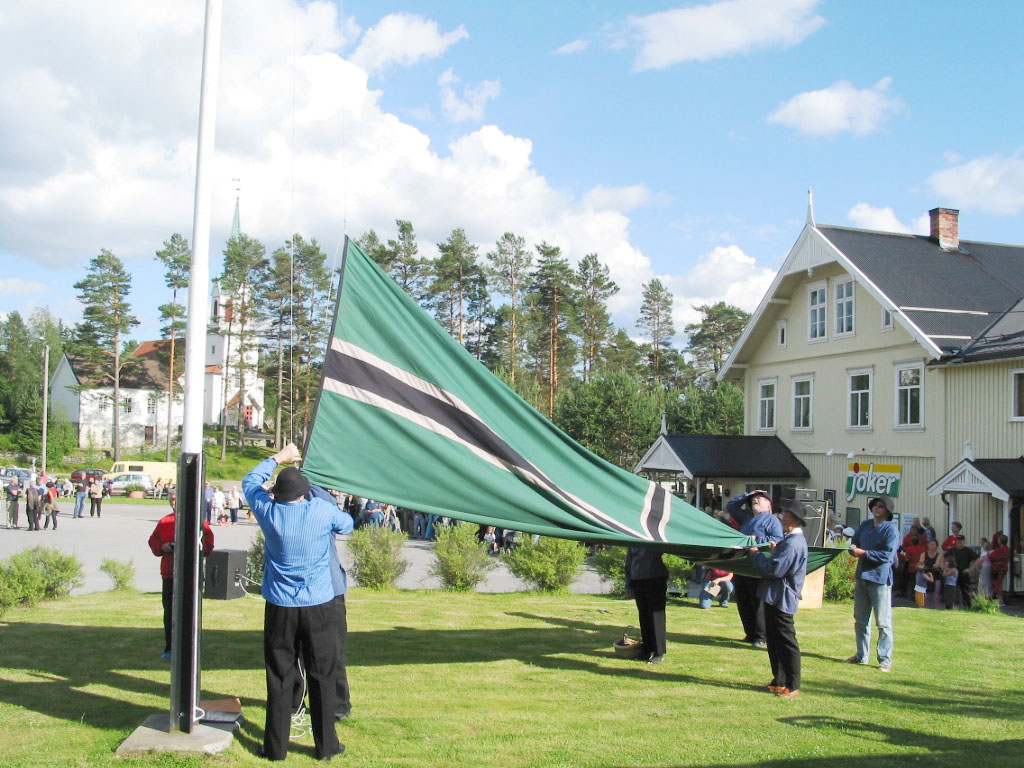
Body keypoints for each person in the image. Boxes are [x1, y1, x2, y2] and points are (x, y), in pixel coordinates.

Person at [243, 442, 353, 762]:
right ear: (304, 493)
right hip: (319, 604)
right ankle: (326, 746)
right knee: (322, 673)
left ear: (276, 494)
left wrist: (279, 458)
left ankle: (276, 749)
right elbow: (347, 524)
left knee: (279, 674)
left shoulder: (268, 510)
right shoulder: (320, 510)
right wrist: (318, 488)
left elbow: (250, 481)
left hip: (280, 606)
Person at [747, 500, 809, 699]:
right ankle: (779, 681)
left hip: (782, 599)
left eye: (786, 515)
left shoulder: (793, 543)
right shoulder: (789, 541)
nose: (782, 517)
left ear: (795, 519)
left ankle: (793, 686)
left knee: (786, 641)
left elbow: (774, 570)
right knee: (774, 640)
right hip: (775, 597)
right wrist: (775, 551)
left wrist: (756, 555)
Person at [148, 489, 215, 659]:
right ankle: (169, 647)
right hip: (170, 573)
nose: (174, 502)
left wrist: (190, 546)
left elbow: (208, 546)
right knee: (170, 611)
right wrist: (163, 547)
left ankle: (191, 648)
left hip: (191, 573)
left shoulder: (198, 522)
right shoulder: (165, 521)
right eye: (172, 499)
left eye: (177, 499)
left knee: (190, 611)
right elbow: (153, 541)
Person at [726, 489, 783, 648]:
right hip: (741, 565)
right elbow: (731, 506)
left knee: (757, 603)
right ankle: (750, 633)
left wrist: (756, 540)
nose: (755, 501)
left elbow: (777, 539)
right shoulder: (747, 517)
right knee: (743, 601)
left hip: (757, 566)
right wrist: (747, 494)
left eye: (759, 499)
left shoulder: (772, 520)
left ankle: (761, 636)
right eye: (753, 500)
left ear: (769, 504)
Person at [847, 496, 899, 672]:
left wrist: (863, 553)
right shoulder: (866, 525)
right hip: (862, 577)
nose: (877, 509)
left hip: (880, 580)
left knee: (883, 623)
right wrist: (853, 548)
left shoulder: (890, 530)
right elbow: (855, 540)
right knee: (860, 620)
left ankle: (885, 660)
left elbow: (887, 556)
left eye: (881, 507)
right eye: (875, 506)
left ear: (887, 511)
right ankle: (861, 655)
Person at [624, 546, 668, 664]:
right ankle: (647, 650)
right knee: (644, 616)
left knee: (656, 616)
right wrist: (628, 583)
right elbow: (629, 561)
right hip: (637, 579)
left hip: (655, 578)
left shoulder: (652, 535)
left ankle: (659, 653)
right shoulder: (632, 538)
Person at [949, 535, 978, 608]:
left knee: (965, 591)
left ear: (964, 541)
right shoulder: (952, 550)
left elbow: (978, 559)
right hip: (953, 574)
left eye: (961, 540)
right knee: (952, 591)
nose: (959, 542)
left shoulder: (968, 550)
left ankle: (967, 607)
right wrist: (947, 568)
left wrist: (971, 569)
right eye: (958, 540)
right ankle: (952, 607)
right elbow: (944, 557)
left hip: (964, 573)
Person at [914, 538, 943, 609]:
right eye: (930, 544)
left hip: (936, 576)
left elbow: (936, 565)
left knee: (936, 594)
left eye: (933, 544)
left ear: (936, 546)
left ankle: (936, 608)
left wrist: (927, 564)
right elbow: (921, 564)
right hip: (925, 575)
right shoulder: (923, 554)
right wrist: (929, 565)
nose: (931, 546)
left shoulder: (939, 555)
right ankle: (925, 607)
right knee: (925, 594)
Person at [987, 535, 1011, 606]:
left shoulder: (1001, 549)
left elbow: (991, 556)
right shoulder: (1007, 549)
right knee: (998, 584)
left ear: (1000, 541)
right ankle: (999, 601)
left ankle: (1000, 601)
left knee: (997, 585)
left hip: (997, 569)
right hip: (1003, 568)